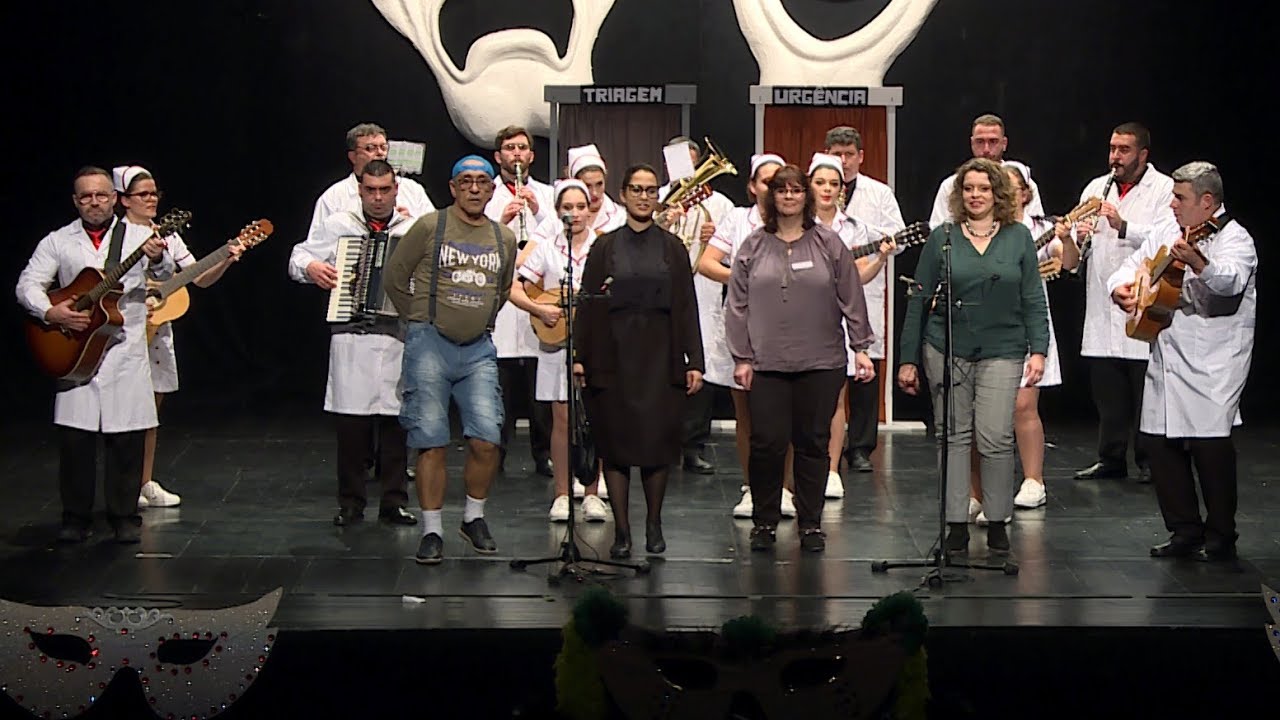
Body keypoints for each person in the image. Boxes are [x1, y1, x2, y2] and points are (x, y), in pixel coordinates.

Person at [897, 158, 1049, 556]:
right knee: (952, 436)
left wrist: (1039, 350)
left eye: (983, 188)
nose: (976, 195)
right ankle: (955, 525)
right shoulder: (942, 238)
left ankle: (997, 521)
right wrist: (907, 358)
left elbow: (1033, 296)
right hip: (946, 348)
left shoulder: (1018, 238)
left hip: (1003, 348)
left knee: (995, 436)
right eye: (969, 189)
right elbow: (919, 298)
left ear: (997, 193)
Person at [16, 166, 173, 543]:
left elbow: (166, 273)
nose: (94, 202)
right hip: (76, 351)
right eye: (85, 196)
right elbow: (28, 284)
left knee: (126, 441)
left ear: (114, 198)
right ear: (76, 201)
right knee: (76, 443)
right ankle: (75, 517)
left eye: (101, 195)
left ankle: (123, 517)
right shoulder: (58, 240)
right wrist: (50, 311)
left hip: (124, 351)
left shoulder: (139, 236)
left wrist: (155, 259)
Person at [1107, 162, 1255, 562]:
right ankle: (1184, 530)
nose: (1171, 204)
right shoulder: (1168, 230)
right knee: (1158, 443)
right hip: (1166, 354)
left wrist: (1198, 263)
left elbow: (1231, 280)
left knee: (1210, 447)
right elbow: (1131, 264)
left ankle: (1222, 534)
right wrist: (1120, 288)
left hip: (1213, 362)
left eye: (1180, 198)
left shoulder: (1234, 239)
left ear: (1207, 202)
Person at [725, 164, 875, 553]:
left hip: (821, 362)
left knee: (813, 443)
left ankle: (810, 523)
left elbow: (851, 296)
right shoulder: (753, 245)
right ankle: (764, 522)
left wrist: (861, 347)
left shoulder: (829, 243)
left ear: (805, 197)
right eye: (781, 190)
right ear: (770, 197)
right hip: (765, 363)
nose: (789, 197)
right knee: (767, 444)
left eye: (796, 190)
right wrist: (741, 357)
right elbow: (737, 304)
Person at [384, 155, 517, 565]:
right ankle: (432, 528)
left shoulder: (504, 239)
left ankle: (473, 517)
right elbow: (394, 277)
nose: (475, 188)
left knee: (487, 437)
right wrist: (419, 319)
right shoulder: (430, 226)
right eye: (466, 181)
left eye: (482, 181)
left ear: (492, 189)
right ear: (454, 186)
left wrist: (481, 321)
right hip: (429, 343)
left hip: (478, 347)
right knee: (431, 439)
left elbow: (503, 286)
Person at [574, 164, 704, 559]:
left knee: (656, 442)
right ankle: (623, 531)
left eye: (650, 190)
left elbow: (686, 305)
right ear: (624, 193)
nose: (644, 196)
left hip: (660, 354)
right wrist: (581, 357)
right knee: (615, 444)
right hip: (612, 355)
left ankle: (653, 523)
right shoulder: (604, 247)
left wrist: (694, 359)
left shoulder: (672, 247)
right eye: (636, 189)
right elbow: (588, 304)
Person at [289, 159, 420, 527]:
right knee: (351, 429)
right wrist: (312, 269)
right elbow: (297, 257)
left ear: (396, 190)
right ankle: (350, 503)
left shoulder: (412, 229)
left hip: (397, 336)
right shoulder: (339, 225)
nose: (378, 198)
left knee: (396, 425)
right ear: (360, 190)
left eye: (384, 190)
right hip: (351, 337)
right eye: (370, 190)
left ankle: (394, 502)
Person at [114, 165, 241, 512]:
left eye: (155, 193)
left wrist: (227, 258)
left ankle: (144, 481)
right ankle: (121, 483)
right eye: (144, 194)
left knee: (151, 411)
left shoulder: (166, 235)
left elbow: (197, 277)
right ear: (124, 200)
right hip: (123, 331)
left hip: (156, 331)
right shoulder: (116, 235)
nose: (152, 199)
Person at [969, 166, 1079, 522]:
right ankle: (976, 492)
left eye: (1012, 188)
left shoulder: (1040, 230)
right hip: (985, 325)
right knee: (977, 414)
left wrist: (1068, 238)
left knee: (1022, 405)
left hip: (1028, 323)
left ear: (1025, 193)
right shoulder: (982, 230)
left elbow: (1070, 263)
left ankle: (1033, 480)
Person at [1073, 122, 1175, 484]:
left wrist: (1123, 224)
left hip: (1143, 301)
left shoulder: (1164, 190)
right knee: (1108, 391)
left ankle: (1149, 460)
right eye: (1113, 148)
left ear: (1143, 154)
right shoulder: (1096, 187)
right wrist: (1078, 233)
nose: (1115, 156)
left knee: (1145, 390)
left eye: (1124, 150)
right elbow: (1075, 237)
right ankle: (1110, 457)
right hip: (1102, 304)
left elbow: (1167, 240)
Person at [698, 153, 797, 520]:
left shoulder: (800, 223)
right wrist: (743, 281)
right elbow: (707, 262)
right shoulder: (737, 219)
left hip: (788, 328)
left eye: (779, 182)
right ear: (752, 186)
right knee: (748, 416)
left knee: (784, 414)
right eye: (765, 182)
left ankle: (784, 489)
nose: (772, 189)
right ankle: (753, 488)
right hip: (743, 325)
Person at [508, 179, 609, 522]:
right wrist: (540, 310)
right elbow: (516, 288)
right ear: (557, 212)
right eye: (568, 207)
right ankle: (563, 495)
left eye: (581, 207)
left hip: (595, 345)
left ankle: (593, 493)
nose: (575, 213)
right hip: (556, 342)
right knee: (562, 419)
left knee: (596, 417)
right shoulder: (548, 249)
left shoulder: (603, 248)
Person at [824, 126, 907, 473]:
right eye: (836, 154)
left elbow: (899, 237)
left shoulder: (880, 193)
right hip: (819, 295)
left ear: (861, 156)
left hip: (865, 284)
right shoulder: (816, 188)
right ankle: (824, 447)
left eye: (849, 154)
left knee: (864, 371)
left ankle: (860, 447)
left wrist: (878, 245)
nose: (843, 161)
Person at [808, 152, 891, 500]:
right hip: (797, 319)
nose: (827, 190)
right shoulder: (795, 224)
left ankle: (829, 470)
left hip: (835, 323)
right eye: (820, 183)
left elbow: (856, 277)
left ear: (842, 189)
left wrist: (882, 257)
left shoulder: (855, 229)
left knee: (835, 397)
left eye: (833, 184)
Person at [658, 136, 734, 475]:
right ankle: (659, 443)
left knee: (702, 366)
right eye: (679, 163)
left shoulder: (720, 204)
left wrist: (715, 237)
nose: (687, 172)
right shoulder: (657, 198)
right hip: (661, 292)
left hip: (703, 290)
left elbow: (735, 253)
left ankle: (693, 445)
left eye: (692, 163)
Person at [485, 125, 554, 477]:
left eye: (522, 148)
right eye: (509, 148)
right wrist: (503, 221)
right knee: (500, 389)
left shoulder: (549, 194)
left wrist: (539, 211)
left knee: (538, 391)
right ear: (498, 156)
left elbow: (559, 237)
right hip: (500, 302)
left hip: (536, 298)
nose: (516, 154)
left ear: (531, 155)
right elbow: (478, 238)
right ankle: (495, 455)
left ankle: (543, 455)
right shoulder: (487, 193)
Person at [928, 114, 1044, 229]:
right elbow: (937, 232)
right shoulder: (950, 185)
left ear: (1004, 144)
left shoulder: (1024, 183)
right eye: (980, 142)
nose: (986, 149)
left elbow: (1036, 228)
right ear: (972, 143)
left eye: (993, 141)